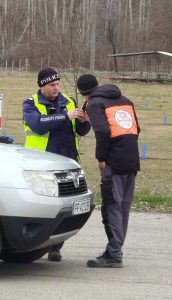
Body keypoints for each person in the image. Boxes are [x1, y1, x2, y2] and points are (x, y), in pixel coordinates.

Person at [23, 67, 91, 261]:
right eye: (52, 85)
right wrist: (65, 116)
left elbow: (82, 130)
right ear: (42, 85)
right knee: (45, 207)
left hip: (68, 161)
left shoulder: (68, 101)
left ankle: (55, 247)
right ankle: (35, 245)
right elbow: (37, 124)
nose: (56, 88)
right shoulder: (30, 103)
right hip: (41, 163)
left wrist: (84, 122)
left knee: (66, 208)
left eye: (58, 84)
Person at [76, 74, 140, 268]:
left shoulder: (95, 103)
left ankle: (113, 254)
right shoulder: (125, 100)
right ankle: (114, 249)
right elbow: (136, 129)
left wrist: (101, 158)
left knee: (111, 207)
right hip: (131, 160)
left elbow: (102, 131)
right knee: (123, 208)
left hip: (113, 162)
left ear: (83, 94)